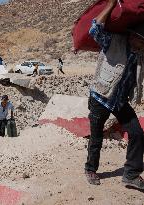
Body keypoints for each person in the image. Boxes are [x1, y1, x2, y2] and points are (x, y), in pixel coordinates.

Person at [84, 0, 144, 189]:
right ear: (133, 36)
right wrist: (110, 5)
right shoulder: (114, 41)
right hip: (100, 97)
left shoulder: (141, 53)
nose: (142, 44)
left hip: (119, 102)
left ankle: (131, 175)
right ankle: (91, 169)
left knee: (137, 133)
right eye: (141, 40)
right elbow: (94, 29)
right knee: (96, 137)